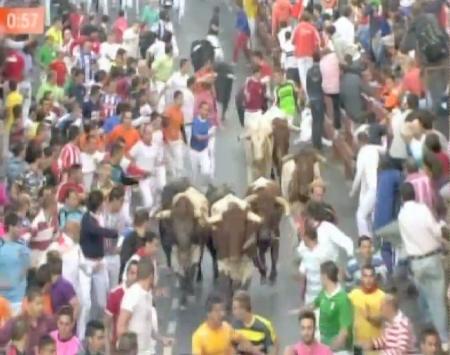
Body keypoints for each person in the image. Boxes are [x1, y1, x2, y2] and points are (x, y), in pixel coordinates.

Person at [397, 183, 449, 347]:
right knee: (438, 299)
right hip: (431, 258)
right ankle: (444, 338)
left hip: (416, 262)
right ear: (415, 194)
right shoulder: (423, 210)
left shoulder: (401, 216)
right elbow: (435, 231)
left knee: (427, 297)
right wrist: (441, 226)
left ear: (402, 197)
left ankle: (430, 331)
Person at [79, 190, 118, 339]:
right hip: (87, 263)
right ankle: (82, 335)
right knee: (86, 303)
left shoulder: (101, 217)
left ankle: (96, 327)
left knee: (102, 302)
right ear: (99, 203)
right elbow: (95, 231)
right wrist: (112, 232)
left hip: (100, 262)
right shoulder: (87, 219)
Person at [117, 257, 172, 354]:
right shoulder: (133, 295)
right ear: (151, 276)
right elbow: (121, 327)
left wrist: (161, 339)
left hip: (147, 350)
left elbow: (147, 324)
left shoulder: (147, 294)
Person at [192, 293, 262, 355]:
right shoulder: (199, 336)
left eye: (222, 310)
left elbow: (240, 338)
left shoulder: (226, 327)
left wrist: (252, 349)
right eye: (217, 311)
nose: (222, 314)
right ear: (208, 313)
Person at [0, 287, 56, 355]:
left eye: (42, 303)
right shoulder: (16, 322)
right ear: (28, 303)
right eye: (38, 303)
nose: (41, 307)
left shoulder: (48, 319)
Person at [313, 261, 353, 353]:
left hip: (339, 350)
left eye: (320, 275)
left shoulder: (342, 300)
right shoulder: (323, 293)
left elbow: (344, 332)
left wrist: (329, 350)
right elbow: (313, 305)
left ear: (324, 277)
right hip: (323, 345)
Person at [349, 132, 382, 237]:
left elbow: (358, 175)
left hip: (371, 186)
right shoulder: (374, 148)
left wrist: (353, 191)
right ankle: (371, 237)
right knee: (369, 214)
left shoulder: (362, 153)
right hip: (378, 184)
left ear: (359, 142)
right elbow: (385, 149)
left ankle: (365, 239)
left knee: (360, 215)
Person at [0, 212, 31, 314]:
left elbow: (25, 270)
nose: (21, 230)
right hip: (2, 299)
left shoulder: (23, 246)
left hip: (18, 300)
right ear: (10, 227)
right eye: (18, 227)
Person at [348, 265, 385, 345]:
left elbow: (384, 321)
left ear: (375, 278)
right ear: (361, 278)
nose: (368, 280)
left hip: (376, 347)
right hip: (358, 346)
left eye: (371, 276)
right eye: (365, 276)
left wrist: (369, 318)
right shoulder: (354, 294)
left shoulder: (382, 296)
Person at [292, 12, 320, 95]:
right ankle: (311, 94)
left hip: (300, 55)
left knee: (303, 76)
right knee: (310, 75)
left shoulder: (297, 28)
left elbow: (292, 41)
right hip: (309, 55)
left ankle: (308, 96)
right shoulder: (312, 28)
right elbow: (318, 41)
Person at [190, 101, 215, 186]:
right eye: (204, 109)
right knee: (194, 175)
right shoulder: (194, 122)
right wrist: (209, 136)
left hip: (203, 151)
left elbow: (211, 137)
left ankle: (204, 190)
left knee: (206, 171)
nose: (206, 112)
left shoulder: (209, 123)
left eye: (207, 110)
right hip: (193, 151)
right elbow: (198, 137)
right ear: (199, 110)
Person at [163, 90, 185, 179]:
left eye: (182, 99)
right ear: (175, 99)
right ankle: (173, 175)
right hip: (168, 140)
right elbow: (163, 125)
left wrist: (183, 138)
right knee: (170, 160)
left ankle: (178, 176)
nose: (182, 101)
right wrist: (166, 137)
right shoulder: (168, 111)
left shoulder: (181, 112)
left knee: (179, 157)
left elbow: (181, 126)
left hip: (177, 140)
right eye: (180, 99)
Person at [306, 51, 325, 150]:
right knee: (320, 121)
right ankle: (319, 143)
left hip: (312, 98)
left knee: (314, 121)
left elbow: (307, 86)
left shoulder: (309, 71)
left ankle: (314, 141)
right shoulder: (322, 70)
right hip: (319, 98)